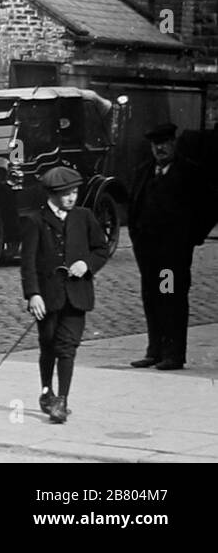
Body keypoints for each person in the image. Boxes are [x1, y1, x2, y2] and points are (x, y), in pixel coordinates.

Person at [20, 166, 110, 424]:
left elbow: (100, 249)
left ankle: (63, 400)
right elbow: (28, 263)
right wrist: (33, 294)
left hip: (77, 294)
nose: (72, 197)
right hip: (48, 297)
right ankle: (47, 391)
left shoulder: (84, 217)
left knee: (67, 346)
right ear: (51, 194)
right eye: (66, 194)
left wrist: (87, 265)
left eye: (75, 192)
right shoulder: (36, 221)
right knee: (48, 344)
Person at [127, 122, 205, 370]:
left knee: (169, 297)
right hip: (147, 255)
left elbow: (208, 206)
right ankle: (155, 351)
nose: (159, 148)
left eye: (164, 143)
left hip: (171, 256)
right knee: (151, 298)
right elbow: (134, 207)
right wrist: (136, 237)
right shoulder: (144, 171)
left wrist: (191, 237)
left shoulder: (188, 173)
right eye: (155, 144)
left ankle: (173, 354)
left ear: (173, 143)